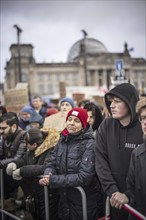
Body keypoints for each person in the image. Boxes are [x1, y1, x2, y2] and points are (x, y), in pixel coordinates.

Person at [39, 107, 104, 220]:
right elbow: (52, 162)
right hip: (64, 199)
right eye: (70, 119)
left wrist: (53, 180)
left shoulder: (90, 144)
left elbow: (85, 177)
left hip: (83, 202)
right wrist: (48, 174)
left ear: (83, 124)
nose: (72, 123)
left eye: (77, 121)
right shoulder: (62, 139)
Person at [94, 83, 143, 220]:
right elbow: (100, 161)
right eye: (110, 102)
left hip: (139, 201)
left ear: (130, 102)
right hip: (112, 200)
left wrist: (128, 195)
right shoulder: (106, 125)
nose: (112, 106)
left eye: (117, 101)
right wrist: (113, 192)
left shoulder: (142, 127)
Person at [6, 127, 60, 220]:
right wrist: (14, 164)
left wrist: (22, 171)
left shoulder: (50, 152)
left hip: (48, 195)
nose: (24, 145)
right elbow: (23, 160)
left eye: (26, 143)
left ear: (34, 144)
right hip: (35, 193)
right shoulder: (30, 152)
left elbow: (45, 168)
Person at [111, 97, 146, 218]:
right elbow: (132, 190)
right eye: (142, 118)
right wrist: (126, 196)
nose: (145, 122)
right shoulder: (137, 153)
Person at [0, 112, 26, 201]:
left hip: (18, 182)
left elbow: (18, 159)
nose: (1, 131)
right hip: (6, 178)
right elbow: (1, 153)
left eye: (3, 128)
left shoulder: (24, 135)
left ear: (14, 126)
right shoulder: (5, 136)